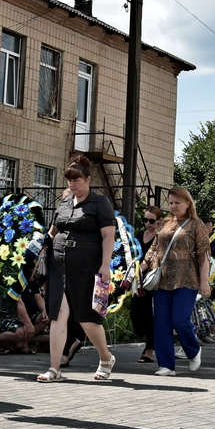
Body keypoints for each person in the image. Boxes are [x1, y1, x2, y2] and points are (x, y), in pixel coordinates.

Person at [38, 155, 118, 382]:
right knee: (58, 316)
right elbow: (53, 231)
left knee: (86, 318)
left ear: (88, 179)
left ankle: (105, 358)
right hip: (58, 265)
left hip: (86, 267)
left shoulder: (99, 203)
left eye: (77, 180)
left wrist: (105, 265)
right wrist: (41, 248)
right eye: (69, 180)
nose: (72, 184)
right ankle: (54, 369)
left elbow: (108, 235)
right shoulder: (64, 202)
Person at [140, 187, 211, 376]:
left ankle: (193, 350)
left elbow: (204, 255)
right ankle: (166, 365)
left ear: (188, 203)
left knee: (179, 319)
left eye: (177, 202)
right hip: (161, 278)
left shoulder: (197, 225)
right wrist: (141, 267)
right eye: (171, 203)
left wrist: (204, 282)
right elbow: (153, 249)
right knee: (161, 322)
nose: (173, 206)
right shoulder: (163, 223)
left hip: (187, 278)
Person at [130, 205, 163, 363]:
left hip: (154, 280)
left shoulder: (161, 237)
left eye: (151, 220)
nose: (148, 223)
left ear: (159, 221)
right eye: (145, 220)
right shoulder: (140, 234)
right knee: (136, 314)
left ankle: (149, 350)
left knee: (150, 315)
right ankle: (152, 341)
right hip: (139, 280)